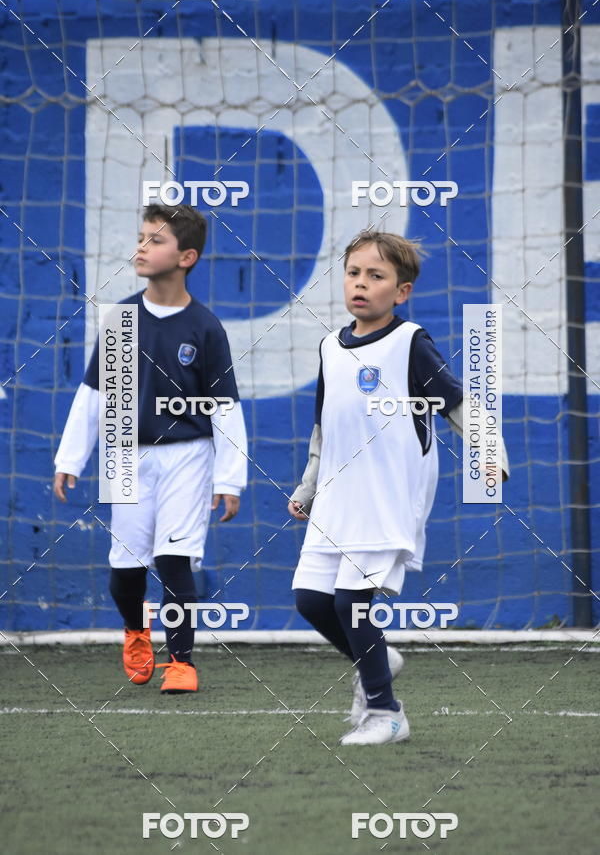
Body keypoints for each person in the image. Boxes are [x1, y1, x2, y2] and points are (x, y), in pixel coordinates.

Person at [288, 230, 509, 745]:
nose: (361, 284)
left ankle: (386, 714)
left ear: (401, 291)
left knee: (352, 604)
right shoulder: (329, 347)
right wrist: (308, 487)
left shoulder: (411, 343)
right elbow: (325, 427)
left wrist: (488, 449)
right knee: (311, 600)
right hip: (338, 497)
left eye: (376, 276)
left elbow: (456, 402)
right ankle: (378, 659)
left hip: (387, 496)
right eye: (353, 273)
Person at [53, 204, 247, 693]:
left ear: (187, 257)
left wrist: (229, 479)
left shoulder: (205, 328)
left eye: (154, 240)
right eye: (140, 237)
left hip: (189, 453)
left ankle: (181, 662)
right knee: (126, 569)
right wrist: (69, 459)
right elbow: (94, 396)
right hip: (125, 455)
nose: (141, 247)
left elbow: (224, 407)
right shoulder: (121, 320)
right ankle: (136, 631)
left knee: (175, 560)